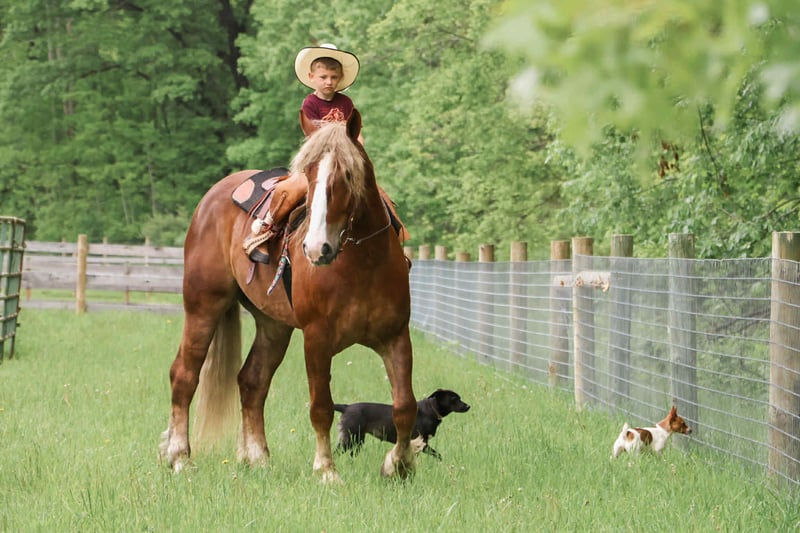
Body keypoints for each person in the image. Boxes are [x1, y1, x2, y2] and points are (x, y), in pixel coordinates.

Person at [248, 44, 409, 255]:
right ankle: (268, 226)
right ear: (312, 77)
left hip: (343, 161)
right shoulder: (310, 103)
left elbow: (356, 133)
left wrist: (358, 151)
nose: (329, 81)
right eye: (323, 77)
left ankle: (393, 235)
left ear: (340, 78)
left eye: (334, 77)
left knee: (377, 194)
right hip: (319, 160)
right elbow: (314, 138)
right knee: (292, 188)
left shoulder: (345, 102)